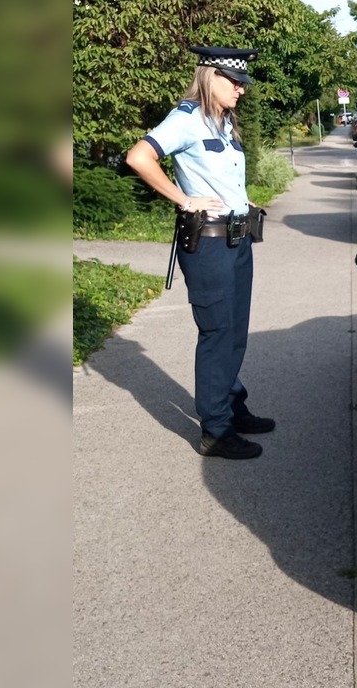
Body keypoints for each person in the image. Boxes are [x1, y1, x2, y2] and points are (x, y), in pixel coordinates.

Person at [125, 45, 275, 460]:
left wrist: (245, 206)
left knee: (235, 332)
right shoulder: (187, 119)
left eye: (243, 82)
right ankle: (216, 431)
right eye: (235, 81)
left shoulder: (223, 123)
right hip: (208, 246)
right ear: (212, 77)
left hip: (237, 239)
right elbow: (139, 157)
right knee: (217, 334)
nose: (241, 89)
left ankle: (231, 406)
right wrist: (182, 199)